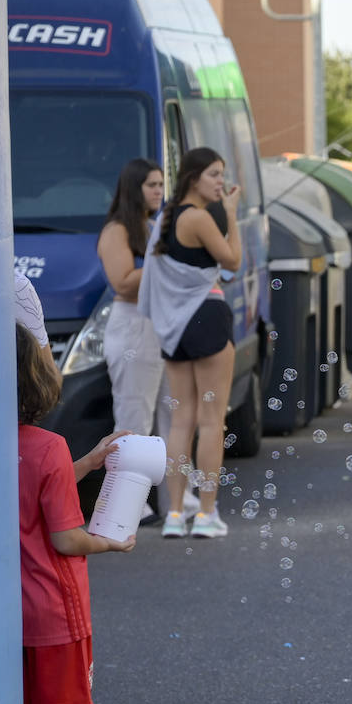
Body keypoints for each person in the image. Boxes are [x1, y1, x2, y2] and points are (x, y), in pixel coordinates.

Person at [15, 321, 135, 704]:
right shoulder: (46, 448)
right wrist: (112, 542)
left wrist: (81, 464)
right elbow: (66, 538)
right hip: (49, 615)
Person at [138, 147, 241, 540]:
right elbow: (232, 261)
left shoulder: (166, 217)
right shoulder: (198, 217)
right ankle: (207, 514)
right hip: (207, 318)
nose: (220, 181)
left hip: (174, 329)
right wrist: (231, 213)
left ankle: (176, 514)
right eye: (214, 174)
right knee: (212, 421)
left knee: (181, 421)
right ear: (193, 177)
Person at [97, 158, 199, 523]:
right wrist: (164, 262)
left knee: (173, 414)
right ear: (133, 188)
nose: (159, 191)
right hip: (132, 328)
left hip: (160, 327)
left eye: (161, 184)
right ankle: (128, 505)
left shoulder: (152, 226)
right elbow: (122, 282)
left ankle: (179, 501)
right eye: (151, 185)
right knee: (133, 417)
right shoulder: (116, 230)